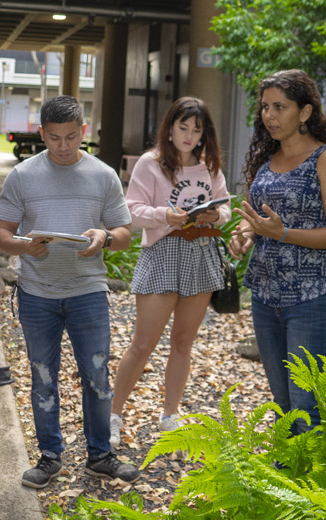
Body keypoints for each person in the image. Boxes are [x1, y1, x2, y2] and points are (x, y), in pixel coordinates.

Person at [0, 95, 141, 488]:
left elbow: (125, 235)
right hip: (36, 292)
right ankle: (50, 457)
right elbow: (1, 235)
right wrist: (24, 245)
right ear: (42, 133)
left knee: (96, 375)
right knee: (43, 377)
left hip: (87, 290)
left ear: (83, 132)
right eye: (54, 138)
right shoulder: (22, 175)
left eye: (71, 137)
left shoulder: (103, 175)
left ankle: (100, 455)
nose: (62, 146)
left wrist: (104, 237)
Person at [227, 70, 326, 436]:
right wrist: (244, 236)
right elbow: (254, 221)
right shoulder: (264, 164)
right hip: (266, 298)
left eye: (280, 107)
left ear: (305, 112)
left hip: (315, 299)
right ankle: (285, 485)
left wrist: (282, 233)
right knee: (283, 407)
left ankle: (312, 489)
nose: (269, 115)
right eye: (265, 107)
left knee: (307, 408)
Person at [109, 97, 230, 440]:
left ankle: (170, 415)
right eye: (183, 127)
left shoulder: (209, 165)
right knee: (143, 343)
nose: (189, 136)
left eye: (197, 129)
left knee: (183, 342)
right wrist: (165, 215)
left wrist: (213, 214)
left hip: (202, 252)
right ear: (170, 127)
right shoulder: (152, 164)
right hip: (163, 252)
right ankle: (114, 415)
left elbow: (226, 209)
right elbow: (131, 210)